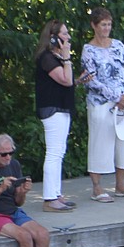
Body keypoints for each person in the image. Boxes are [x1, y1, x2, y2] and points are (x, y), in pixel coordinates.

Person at [80, 7, 124, 202]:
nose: (106, 28)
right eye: (103, 25)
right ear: (94, 26)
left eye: (109, 24)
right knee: (100, 142)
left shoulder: (119, 46)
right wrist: (115, 97)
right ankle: (97, 187)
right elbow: (91, 79)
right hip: (101, 102)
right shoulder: (88, 50)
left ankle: (121, 185)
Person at [34, 19, 92, 212]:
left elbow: (66, 82)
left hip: (61, 107)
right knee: (54, 153)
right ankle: (49, 199)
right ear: (53, 37)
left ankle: (56, 194)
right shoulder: (47, 58)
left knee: (59, 152)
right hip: (53, 109)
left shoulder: (55, 58)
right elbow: (65, 81)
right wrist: (67, 58)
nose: (68, 37)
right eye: (64, 34)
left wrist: (79, 81)